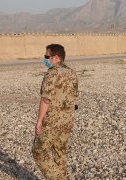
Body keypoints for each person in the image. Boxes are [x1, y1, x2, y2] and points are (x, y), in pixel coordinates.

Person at [32, 44, 78, 179]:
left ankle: (57, 177)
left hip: (52, 122)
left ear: (56, 57)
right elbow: (73, 96)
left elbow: (46, 100)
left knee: (38, 152)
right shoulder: (72, 72)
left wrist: (39, 121)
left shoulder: (52, 73)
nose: (45, 59)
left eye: (47, 56)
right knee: (60, 151)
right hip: (67, 120)